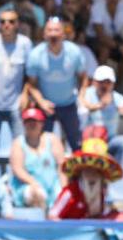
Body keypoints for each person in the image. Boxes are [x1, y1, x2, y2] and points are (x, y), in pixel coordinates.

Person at [26, 17, 86, 152]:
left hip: (69, 104)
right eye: (50, 30)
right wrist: (41, 102)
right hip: (47, 106)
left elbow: (83, 77)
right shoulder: (35, 55)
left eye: (57, 30)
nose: (53, 34)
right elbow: (31, 85)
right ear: (44, 34)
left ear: (64, 34)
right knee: (43, 146)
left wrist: (81, 96)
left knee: (77, 145)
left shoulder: (74, 52)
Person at [0, 8, 32, 151]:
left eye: (11, 21)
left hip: (16, 104)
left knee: (21, 145)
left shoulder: (25, 43)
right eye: (2, 21)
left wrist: (25, 94)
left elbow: (31, 74)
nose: (7, 25)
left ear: (18, 24)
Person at [49, 137, 123, 220]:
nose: (92, 174)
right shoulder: (70, 192)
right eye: (88, 170)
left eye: (96, 171)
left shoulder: (102, 193)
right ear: (81, 172)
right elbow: (52, 216)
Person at [9, 107, 65, 213]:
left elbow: (61, 165)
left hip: (52, 184)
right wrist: (33, 183)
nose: (31, 124)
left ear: (41, 123)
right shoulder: (18, 143)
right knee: (36, 194)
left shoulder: (52, 139)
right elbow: (17, 169)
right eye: (28, 121)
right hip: (28, 185)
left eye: (35, 121)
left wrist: (64, 186)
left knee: (62, 194)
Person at [78, 65, 123, 165]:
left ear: (113, 84)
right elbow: (82, 109)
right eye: (101, 82)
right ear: (94, 82)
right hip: (88, 140)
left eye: (108, 82)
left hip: (109, 141)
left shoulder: (117, 98)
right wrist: (101, 105)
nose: (104, 85)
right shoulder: (86, 94)